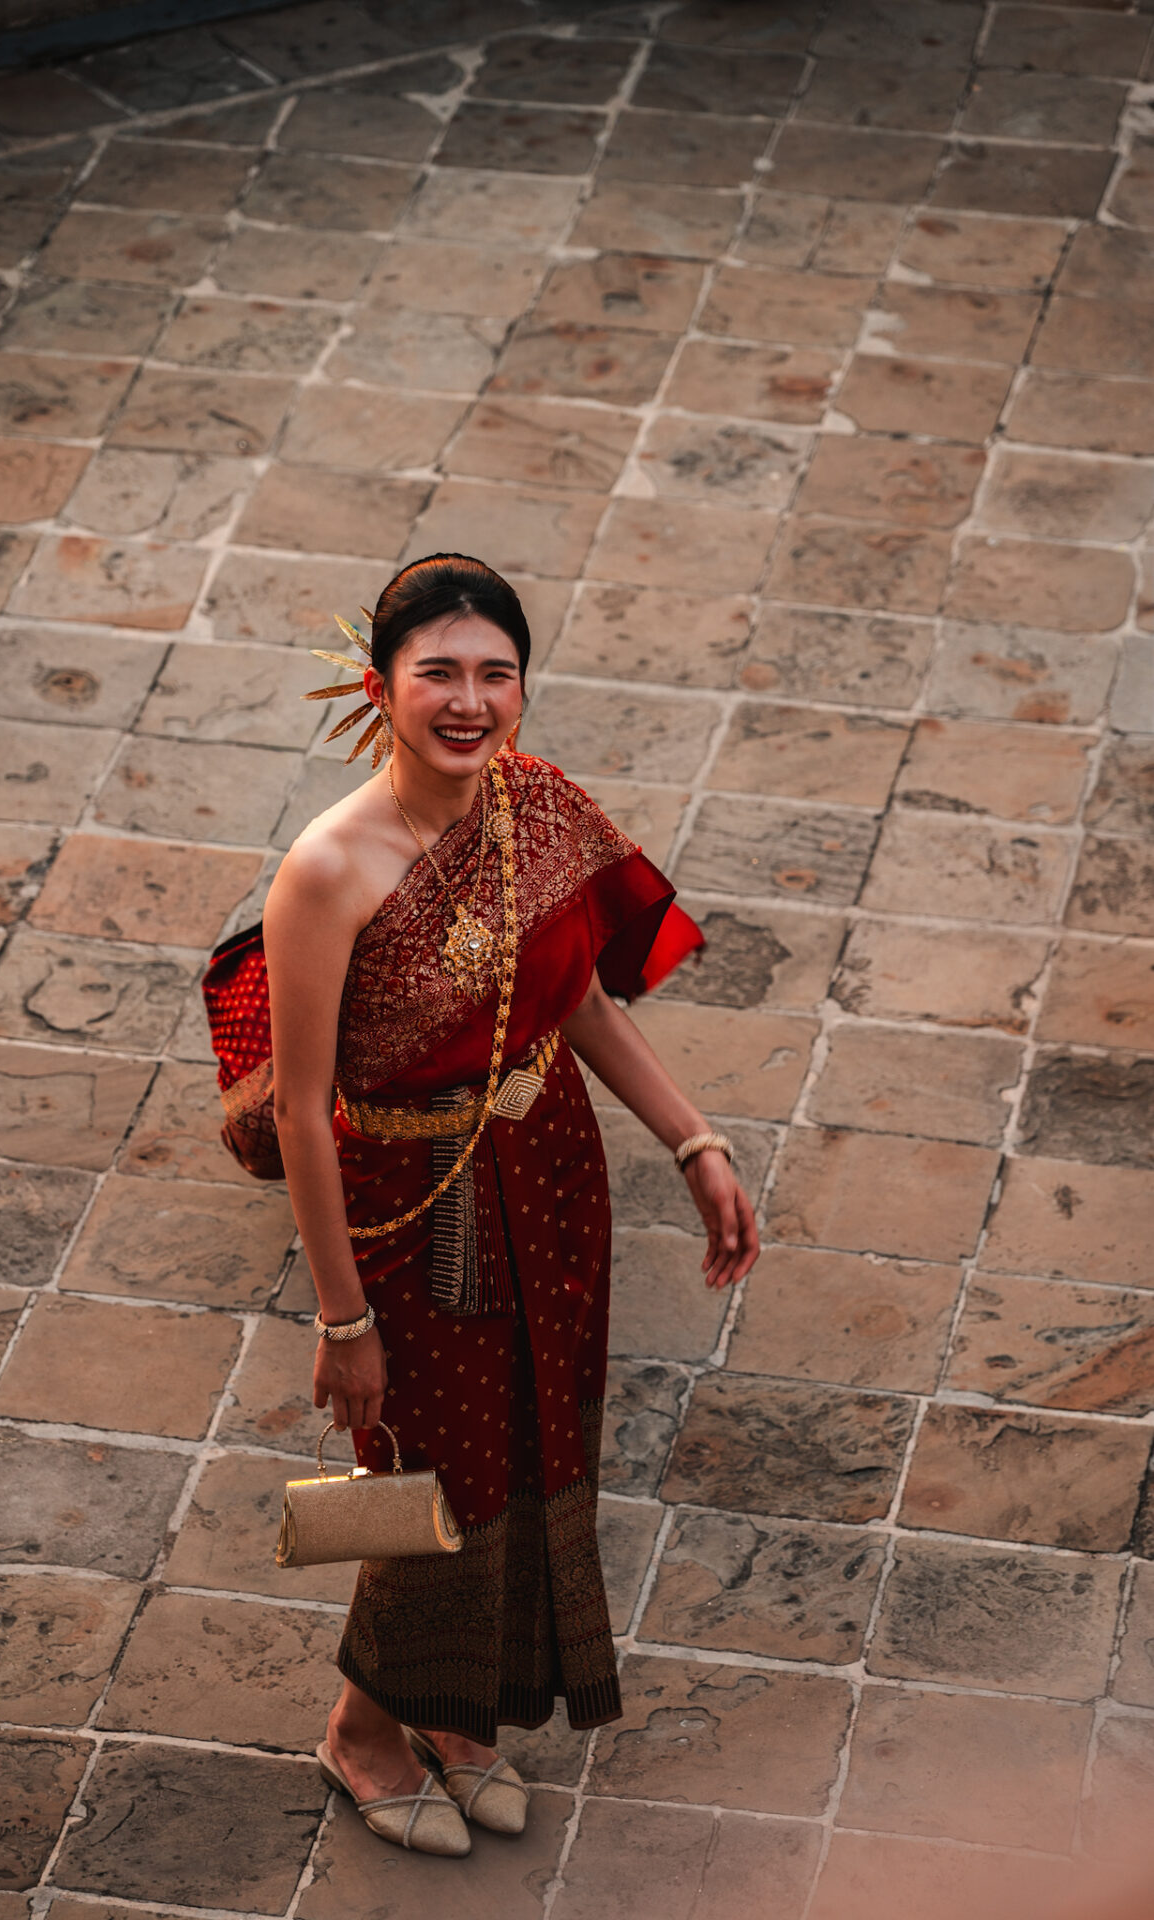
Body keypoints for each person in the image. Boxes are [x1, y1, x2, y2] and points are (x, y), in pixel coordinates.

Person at [260, 552, 759, 1857]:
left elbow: (580, 1001)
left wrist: (692, 1141)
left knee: (531, 1448)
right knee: (415, 1481)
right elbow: (302, 1109)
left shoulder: (535, 809)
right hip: (405, 1214)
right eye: (438, 673)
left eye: (495, 673)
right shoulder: (326, 871)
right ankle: (363, 1729)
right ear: (382, 687)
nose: (468, 700)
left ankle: (459, 1713)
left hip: (547, 1181)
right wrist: (341, 1316)